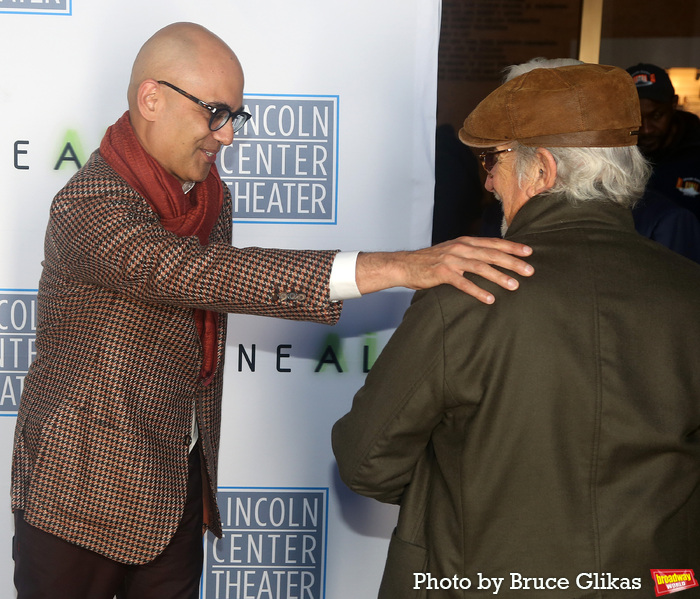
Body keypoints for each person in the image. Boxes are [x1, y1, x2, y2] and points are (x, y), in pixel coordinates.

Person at [10, 22, 535, 599]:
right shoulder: (90, 203)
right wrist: (400, 267)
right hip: (78, 491)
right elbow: (192, 274)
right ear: (151, 99)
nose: (227, 137)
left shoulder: (210, 198)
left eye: (235, 116)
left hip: (177, 483)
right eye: (215, 112)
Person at [333, 62, 700, 598]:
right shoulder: (691, 291)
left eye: (491, 159)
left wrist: (466, 473)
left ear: (543, 170)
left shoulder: (465, 294)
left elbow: (366, 462)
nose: (485, 179)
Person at [626, 63, 700, 222]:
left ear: (673, 104)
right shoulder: (611, 157)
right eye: (636, 118)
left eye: (656, 115)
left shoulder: (696, 156)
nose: (646, 129)